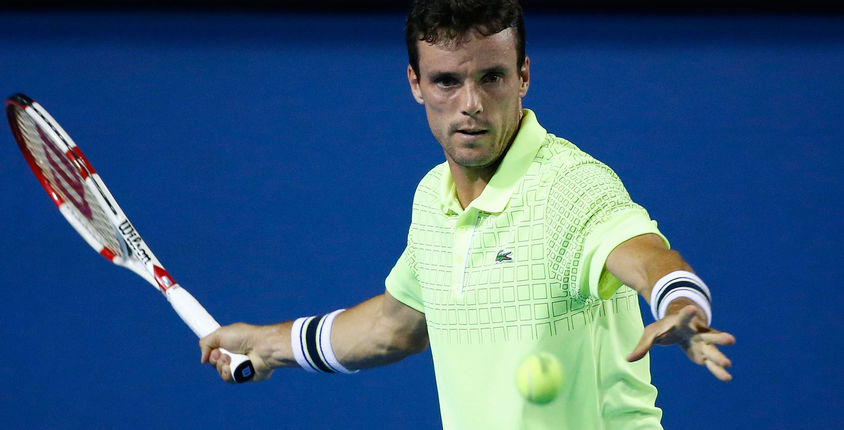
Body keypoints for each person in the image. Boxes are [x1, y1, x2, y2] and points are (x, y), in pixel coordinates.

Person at [200, 1, 736, 428]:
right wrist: (268, 344)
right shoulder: (432, 197)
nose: (471, 103)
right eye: (447, 82)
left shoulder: (571, 187)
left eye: (493, 77)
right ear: (415, 83)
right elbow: (396, 325)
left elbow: (647, 256)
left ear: (523, 76)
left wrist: (681, 302)